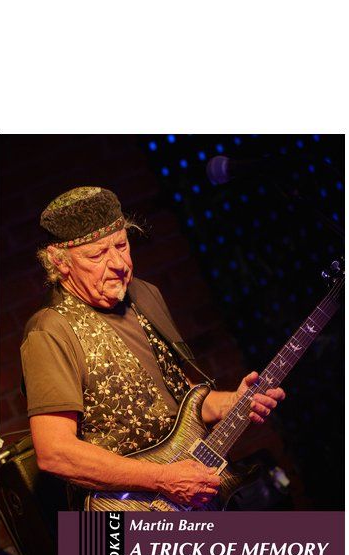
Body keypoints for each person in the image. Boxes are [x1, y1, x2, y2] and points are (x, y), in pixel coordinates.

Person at [20, 186, 285, 509]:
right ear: (60, 262)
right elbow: (55, 452)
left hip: (192, 498)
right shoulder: (49, 331)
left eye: (122, 245)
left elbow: (181, 399)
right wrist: (163, 479)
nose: (119, 263)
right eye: (97, 255)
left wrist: (233, 402)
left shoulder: (145, 294)